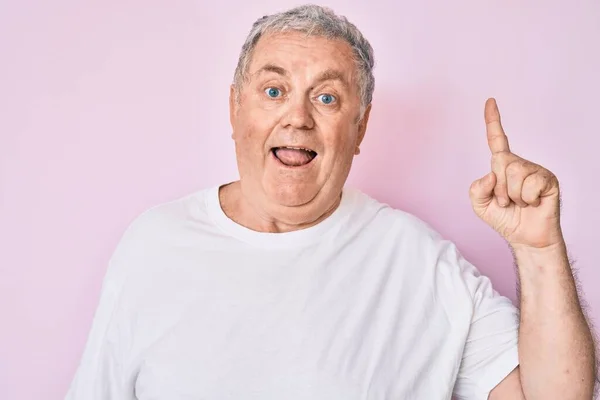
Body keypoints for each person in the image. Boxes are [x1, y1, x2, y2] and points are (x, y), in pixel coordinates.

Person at [65, 4, 597, 399]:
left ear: (360, 126)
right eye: (273, 91)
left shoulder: (416, 259)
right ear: (234, 109)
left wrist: (540, 249)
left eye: (326, 97)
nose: (297, 117)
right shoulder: (155, 244)